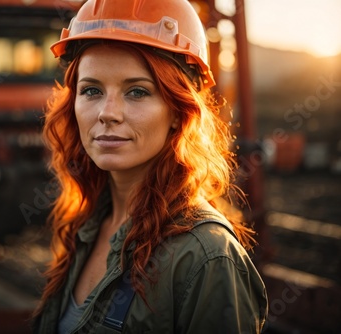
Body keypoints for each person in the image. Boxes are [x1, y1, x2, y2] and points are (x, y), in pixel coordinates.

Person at [32, 0, 268, 333]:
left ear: (177, 111)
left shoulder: (207, 256)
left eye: (137, 91)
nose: (108, 113)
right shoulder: (83, 225)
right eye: (91, 90)